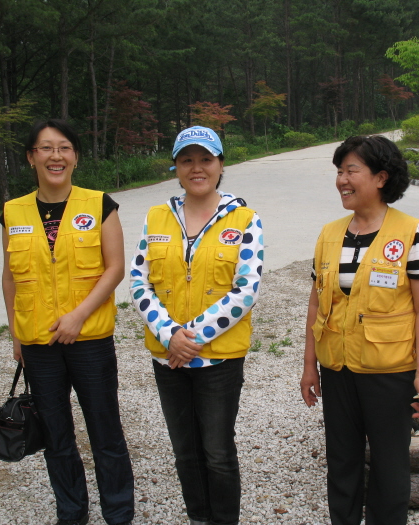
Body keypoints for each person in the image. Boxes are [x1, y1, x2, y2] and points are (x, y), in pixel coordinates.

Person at [300, 135, 419, 525]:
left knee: (389, 467)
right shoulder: (329, 234)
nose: (342, 180)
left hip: (390, 372)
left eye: (351, 171)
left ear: (381, 178)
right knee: (341, 462)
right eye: (339, 171)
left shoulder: (415, 233)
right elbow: (316, 302)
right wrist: (310, 366)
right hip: (338, 369)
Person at [0, 119, 134, 525]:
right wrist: (15, 334)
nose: (55, 156)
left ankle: (118, 512)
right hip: (38, 342)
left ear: (75, 156)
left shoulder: (99, 204)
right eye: (45, 148)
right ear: (31, 157)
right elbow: (10, 276)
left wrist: (78, 316)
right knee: (57, 435)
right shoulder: (12, 211)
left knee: (104, 429)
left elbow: (115, 269)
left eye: (64, 148)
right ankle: (72, 512)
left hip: (89, 339)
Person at [130, 126, 264, 525]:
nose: (196, 168)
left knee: (218, 453)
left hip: (218, 361)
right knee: (184, 450)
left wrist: (194, 337)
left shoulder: (245, 219)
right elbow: (139, 280)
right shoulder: (157, 216)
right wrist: (170, 334)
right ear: (176, 166)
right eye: (187, 160)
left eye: (206, 159)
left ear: (221, 164)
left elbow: (246, 288)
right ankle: (199, 518)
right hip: (168, 356)